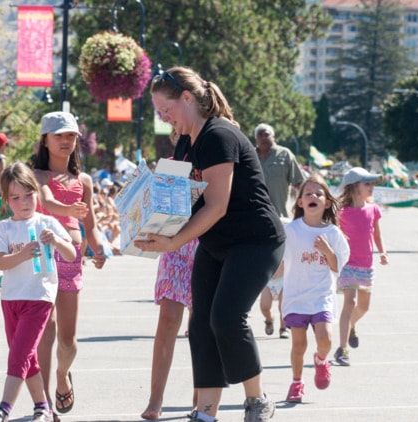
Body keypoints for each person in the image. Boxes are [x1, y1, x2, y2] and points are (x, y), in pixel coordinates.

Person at [135, 66, 285, 422]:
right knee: (200, 325)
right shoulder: (186, 142)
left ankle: (257, 400)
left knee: (227, 318)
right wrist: (143, 218)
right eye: (159, 113)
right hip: (216, 244)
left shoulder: (219, 135)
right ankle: (206, 412)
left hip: (256, 241)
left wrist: (172, 243)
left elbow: (217, 205)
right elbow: (179, 197)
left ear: (187, 98)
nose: (163, 117)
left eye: (165, 109)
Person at [0, 162, 76, 422]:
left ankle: (4, 407)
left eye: (28, 195)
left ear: (37, 192)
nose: (24, 202)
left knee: (18, 355)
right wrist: (22, 254)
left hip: (39, 297)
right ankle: (42, 406)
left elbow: (70, 253)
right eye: (16, 197)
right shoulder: (3, 228)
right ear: (6, 200)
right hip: (11, 298)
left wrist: (57, 241)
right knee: (27, 356)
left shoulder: (47, 222)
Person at [33, 111, 107, 417]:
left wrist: (100, 246)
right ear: (45, 140)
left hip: (71, 259)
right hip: (40, 259)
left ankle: (63, 374)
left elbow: (90, 224)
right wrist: (68, 208)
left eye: (71, 136)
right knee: (44, 333)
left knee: (67, 340)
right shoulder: (35, 176)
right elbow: (47, 202)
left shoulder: (84, 180)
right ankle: (44, 404)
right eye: (59, 135)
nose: (65, 141)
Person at [276, 175, 350, 403]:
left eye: (319, 194)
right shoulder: (291, 231)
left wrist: (327, 251)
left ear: (327, 203)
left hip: (321, 297)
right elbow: (278, 263)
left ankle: (321, 360)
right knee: (298, 345)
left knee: (326, 338)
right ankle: (297, 382)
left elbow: (337, 267)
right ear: (300, 202)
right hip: (296, 297)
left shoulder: (333, 234)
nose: (313, 197)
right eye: (308, 193)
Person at [141, 134, 198, 420]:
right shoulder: (171, 166)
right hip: (173, 245)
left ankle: (201, 398)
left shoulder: (218, 157)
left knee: (201, 327)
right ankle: (155, 399)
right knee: (168, 320)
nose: (176, 131)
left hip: (207, 244)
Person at [334, 167, 388, 366]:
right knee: (349, 303)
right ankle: (342, 350)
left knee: (364, 307)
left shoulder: (373, 209)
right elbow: (334, 235)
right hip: (347, 264)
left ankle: (351, 326)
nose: (371, 187)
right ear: (355, 187)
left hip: (366, 265)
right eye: (367, 183)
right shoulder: (341, 211)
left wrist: (382, 251)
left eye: (372, 183)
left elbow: (377, 234)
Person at [254, 123, 305, 219]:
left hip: (280, 216)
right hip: (255, 217)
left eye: (266, 135)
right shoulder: (250, 156)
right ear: (256, 139)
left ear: (274, 137)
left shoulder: (285, 155)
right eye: (260, 135)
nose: (263, 138)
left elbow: (300, 184)